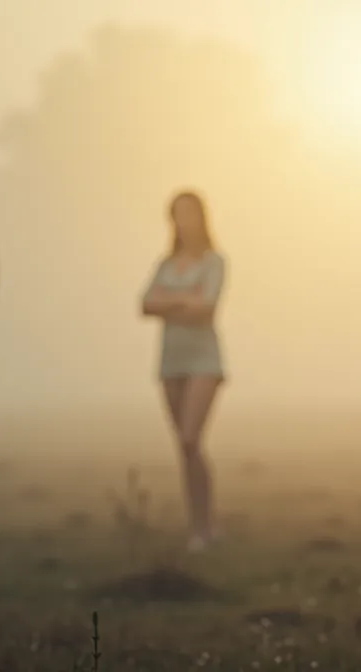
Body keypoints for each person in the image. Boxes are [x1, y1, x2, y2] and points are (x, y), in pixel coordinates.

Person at [140, 190, 227, 552]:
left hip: (204, 360)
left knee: (191, 437)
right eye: (177, 215)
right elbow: (145, 304)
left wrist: (168, 302)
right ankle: (199, 523)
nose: (183, 221)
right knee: (186, 447)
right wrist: (183, 299)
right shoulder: (165, 263)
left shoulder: (214, 261)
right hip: (170, 360)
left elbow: (205, 306)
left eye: (189, 214)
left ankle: (203, 528)